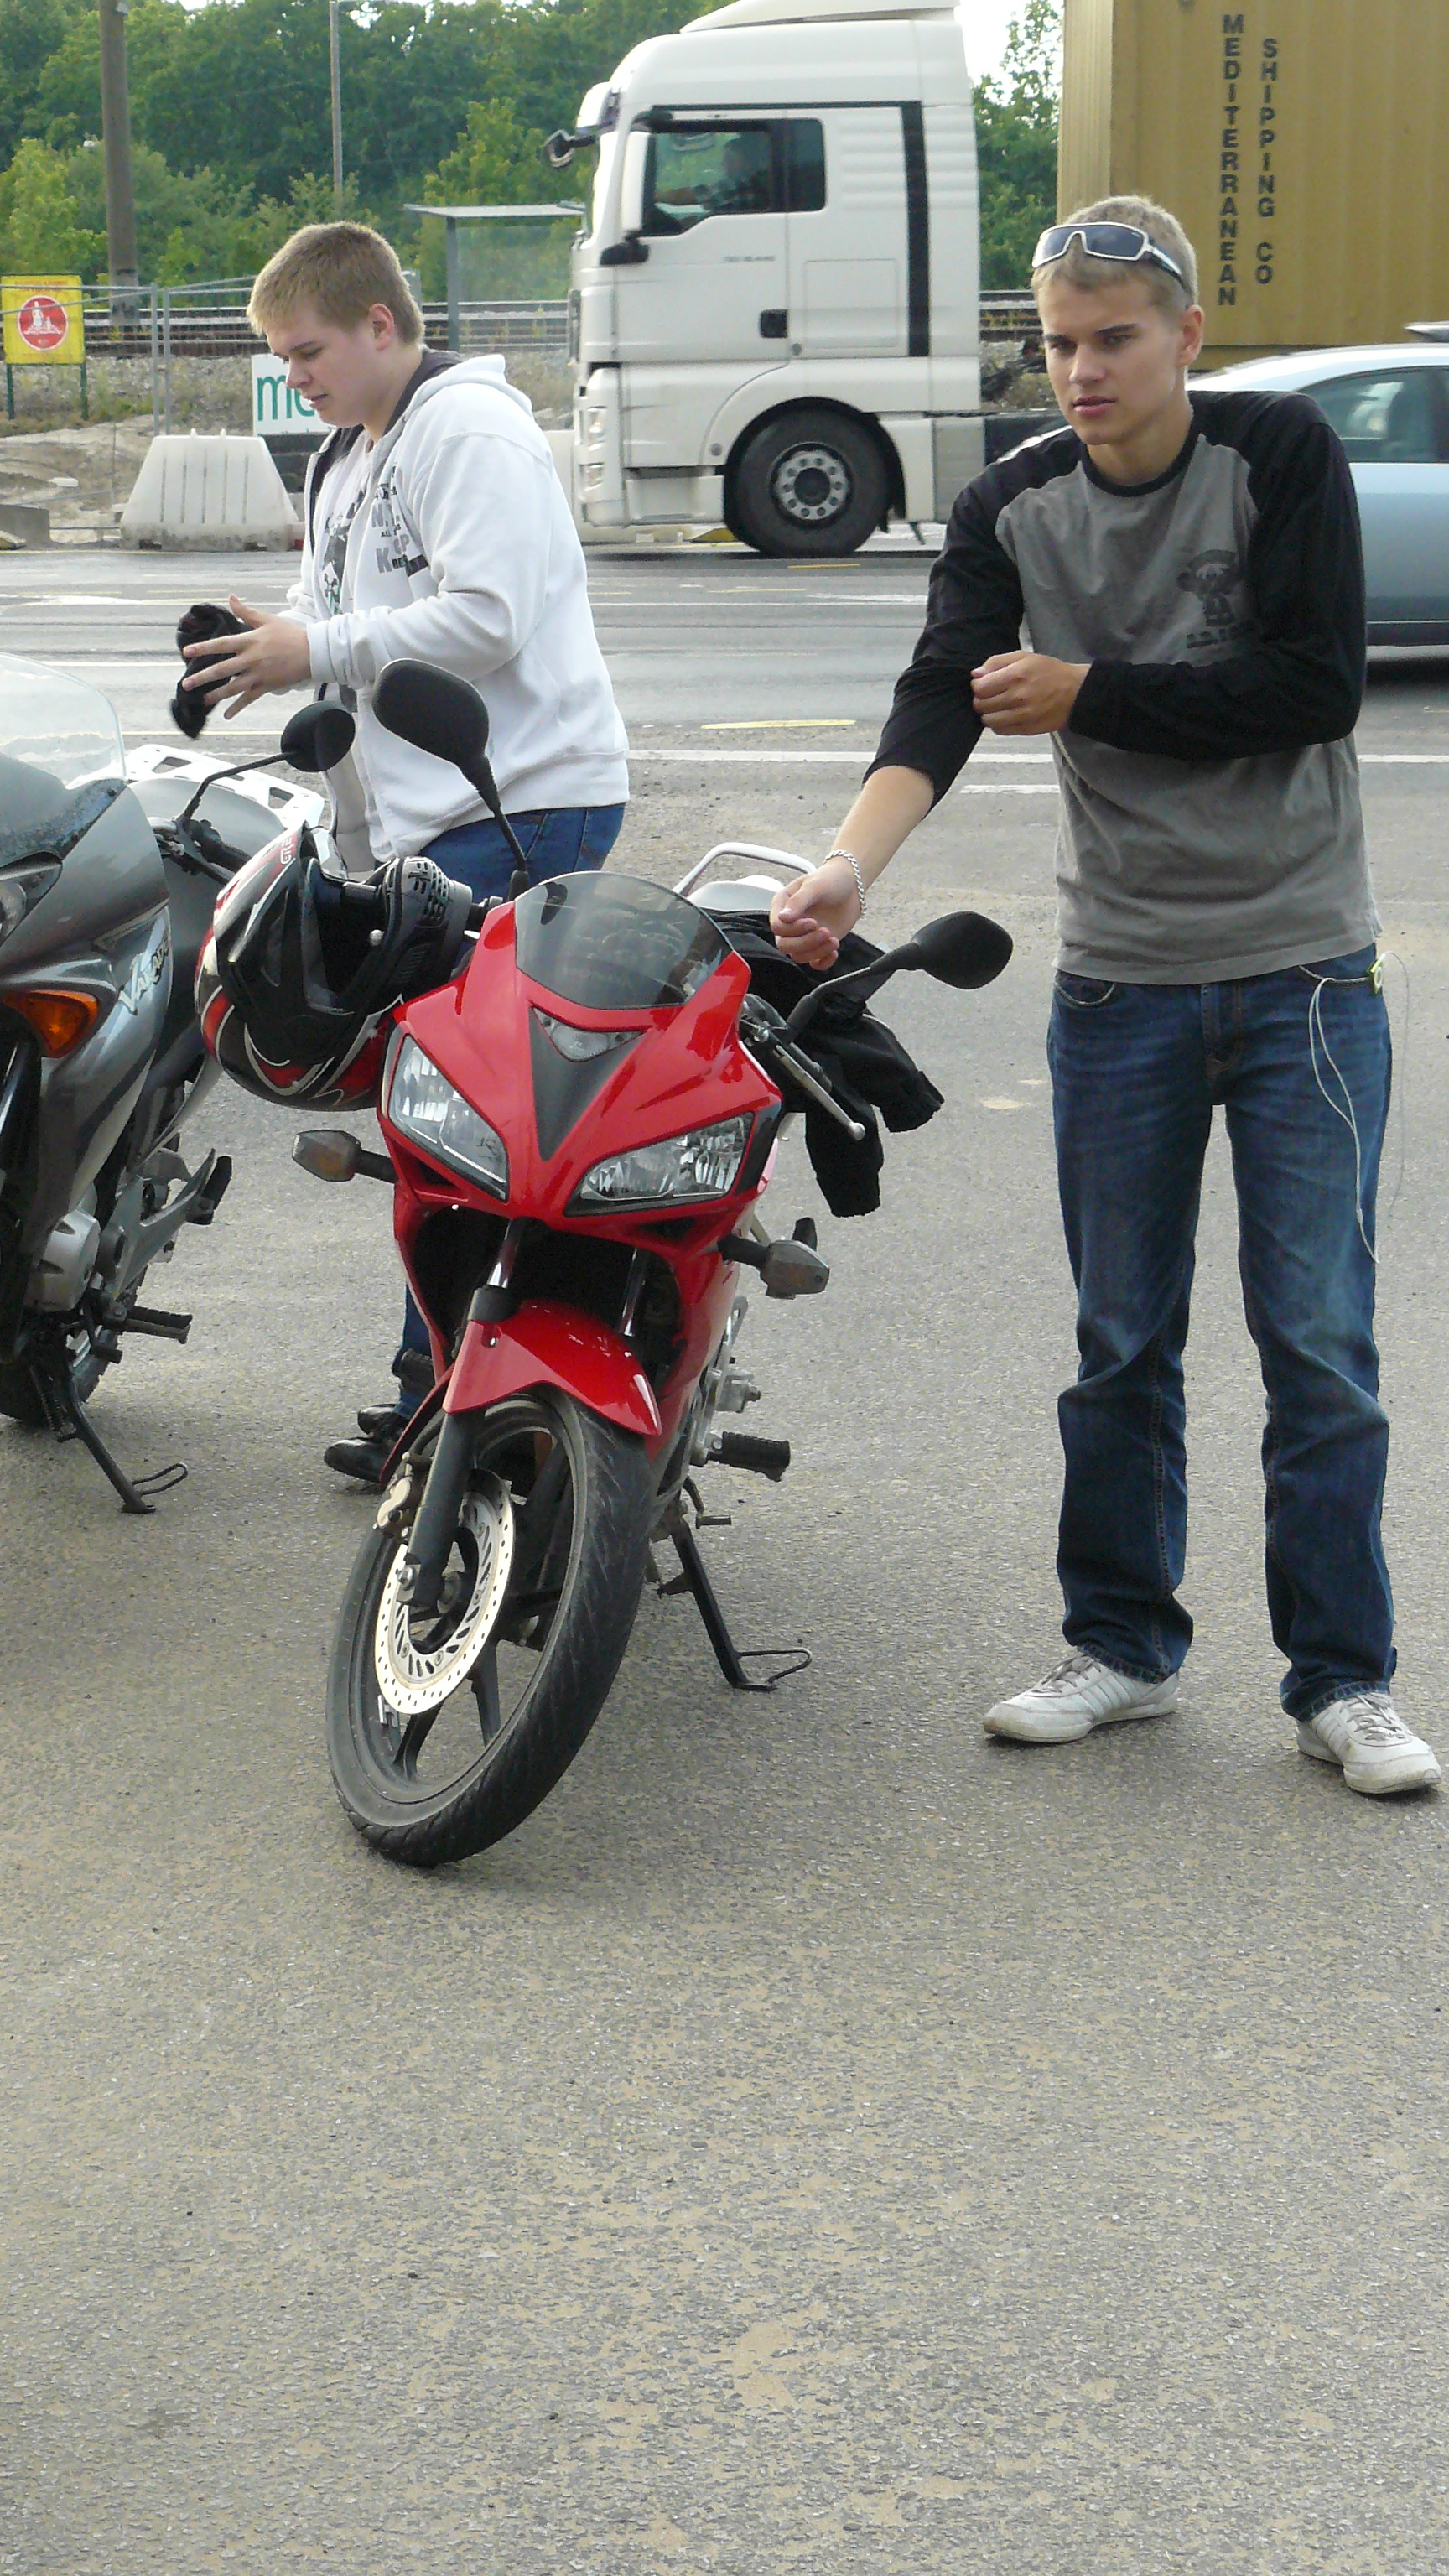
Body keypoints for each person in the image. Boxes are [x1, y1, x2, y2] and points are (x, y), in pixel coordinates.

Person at [771, 195, 1441, 1800]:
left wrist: (1089, 694)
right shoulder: (1011, 505)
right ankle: (1124, 1647)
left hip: (1302, 973)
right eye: (1060, 342)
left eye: (1115, 339)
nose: (1082, 370)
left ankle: (1343, 1682)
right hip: (1120, 985)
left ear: (1188, 338)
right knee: (1119, 1341)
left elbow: (1316, 685)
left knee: (1319, 1344)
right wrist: (851, 864)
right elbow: (939, 693)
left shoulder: (1278, 455)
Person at [181, 221, 629, 1485]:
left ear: (381, 323)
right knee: (446, 1118)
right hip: (431, 825)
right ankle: (449, 1395)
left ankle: (456, 1405)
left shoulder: (469, 432)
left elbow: (488, 618)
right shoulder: (349, 453)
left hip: (517, 805)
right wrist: (273, 642)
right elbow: (348, 617)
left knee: (471, 1119)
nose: (296, 376)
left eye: (308, 351)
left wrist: (316, 648)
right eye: (282, 357)